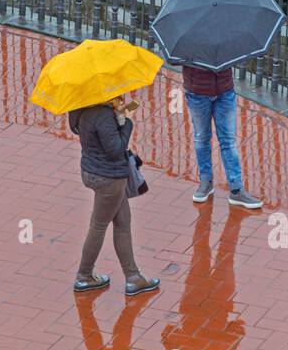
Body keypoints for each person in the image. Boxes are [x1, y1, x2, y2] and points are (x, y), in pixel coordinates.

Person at [69, 95, 160, 297]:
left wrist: (116, 116)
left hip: (92, 170)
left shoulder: (80, 106)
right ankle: (84, 276)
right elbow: (115, 149)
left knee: (123, 221)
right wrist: (126, 122)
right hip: (109, 177)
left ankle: (133, 277)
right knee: (99, 225)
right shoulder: (102, 115)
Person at [182, 64, 261, 207]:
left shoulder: (227, 40)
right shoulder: (189, 43)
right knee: (202, 137)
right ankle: (206, 182)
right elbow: (175, 59)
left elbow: (236, 55)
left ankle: (236, 189)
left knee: (228, 141)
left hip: (224, 91)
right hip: (197, 92)